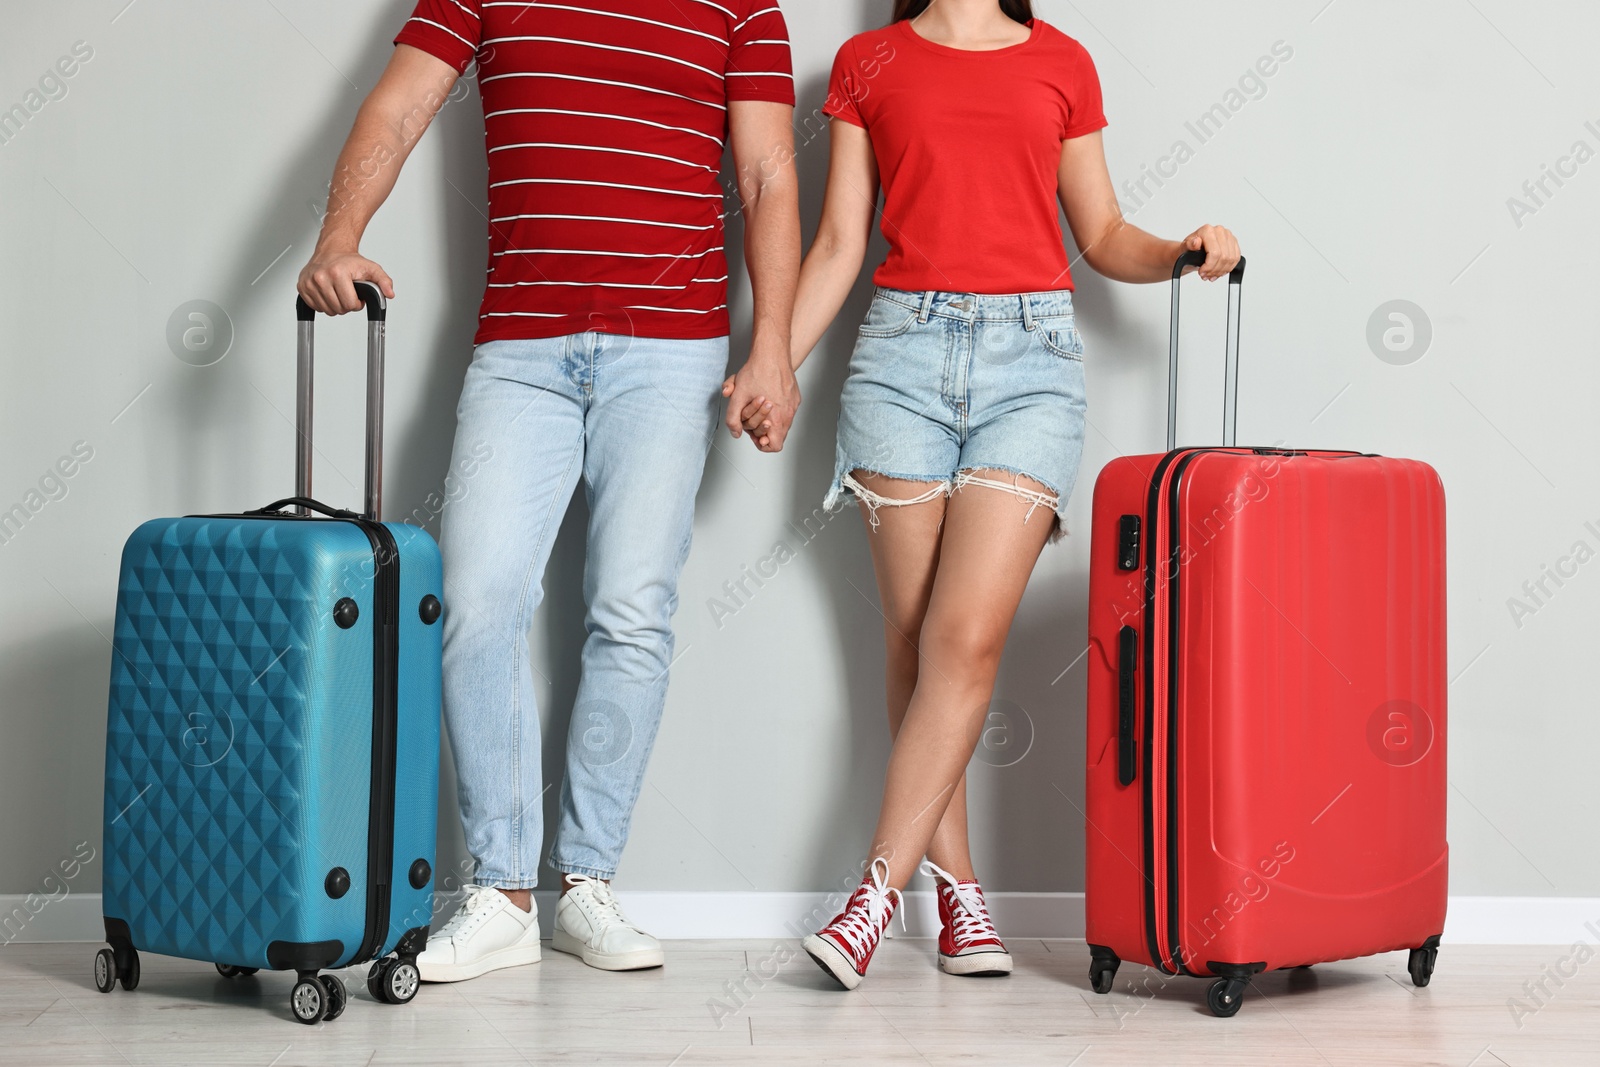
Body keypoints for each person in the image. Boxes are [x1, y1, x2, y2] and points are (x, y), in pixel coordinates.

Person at [728, 0, 1240, 989]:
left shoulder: (1062, 62)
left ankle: (871, 895)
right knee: (916, 637)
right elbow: (840, 242)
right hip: (898, 360)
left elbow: (1098, 233)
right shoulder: (866, 62)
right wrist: (773, 364)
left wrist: (1178, 248)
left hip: (1031, 364)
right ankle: (959, 887)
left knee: (965, 638)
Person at [297, 0, 802, 980]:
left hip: (671, 350)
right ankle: (502, 890)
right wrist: (337, 235)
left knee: (631, 611)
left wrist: (772, 341)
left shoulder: (745, 7)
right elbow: (399, 108)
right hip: (518, 351)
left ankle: (586, 883)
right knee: (477, 604)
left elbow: (766, 174)